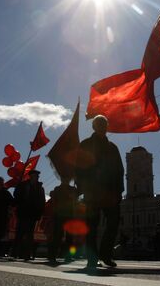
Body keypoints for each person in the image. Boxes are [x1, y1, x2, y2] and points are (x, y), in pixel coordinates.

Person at [75, 115, 124, 270]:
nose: (103, 126)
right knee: (91, 226)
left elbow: (119, 170)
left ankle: (105, 253)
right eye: (99, 124)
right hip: (92, 192)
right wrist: (82, 187)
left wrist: (119, 191)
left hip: (110, 193)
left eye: (104, 124)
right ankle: (92, 258)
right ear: (94, 127)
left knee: (113, 223)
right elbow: (78, 168)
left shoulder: (113, 147)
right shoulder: (86, 144)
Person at [13, 170, 45, 260]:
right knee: (20, 233)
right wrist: (18, 187)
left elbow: (42, 201)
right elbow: (16, 196)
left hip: (32, 214)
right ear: (31, 176)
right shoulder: (22, 185)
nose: (37, 177)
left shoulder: (40, 187)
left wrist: (39, 212)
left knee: (29, 234)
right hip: (23, 212)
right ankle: (15, 253)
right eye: (36, 175)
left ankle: (26, 254)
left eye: (38, 176)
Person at [47, 175, 78, 264]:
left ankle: (68, 256)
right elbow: (55, 200)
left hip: (70, 215)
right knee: (57, 236)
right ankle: (52, 255)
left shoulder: (72, 189)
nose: (66, 180)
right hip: (60, 215)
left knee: (70, 237)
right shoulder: (57, 189)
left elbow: (76, 197)